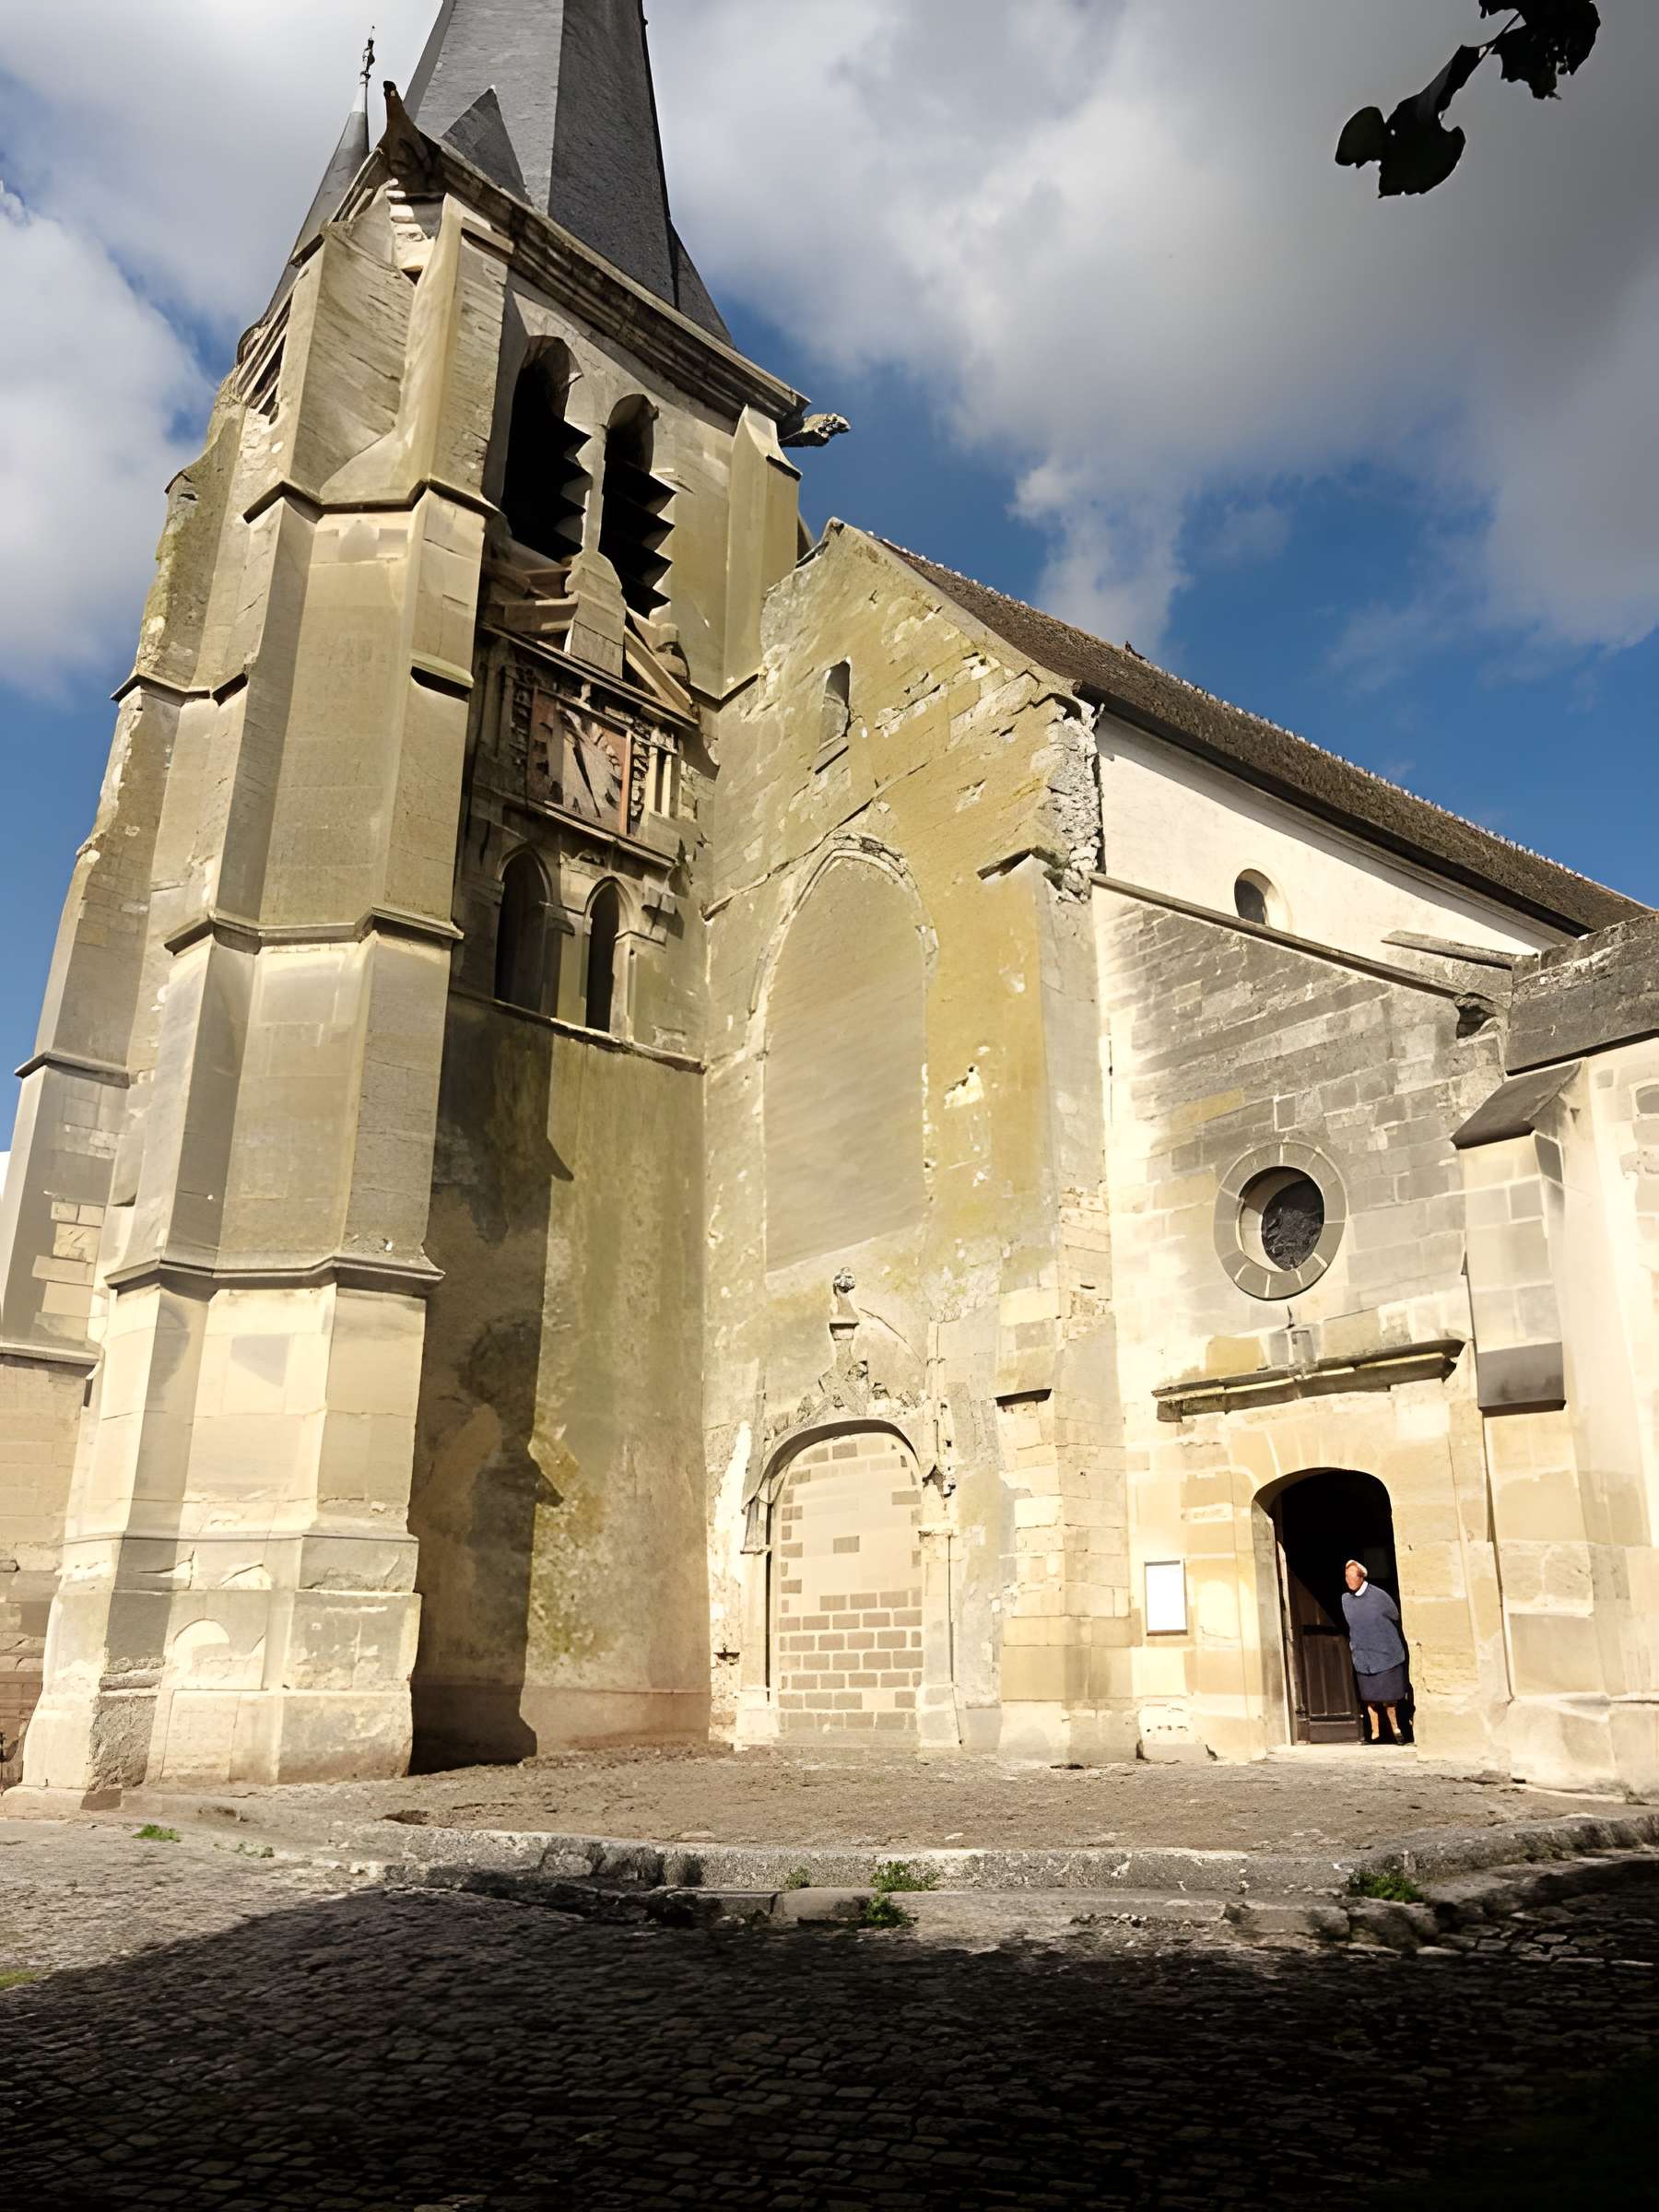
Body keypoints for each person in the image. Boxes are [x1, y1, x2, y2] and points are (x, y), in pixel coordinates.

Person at [1341, 1559, 1409, 1746]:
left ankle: (1397, 1730)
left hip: (1386, 1653)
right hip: (1363, 1655)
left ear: (1361, 1577)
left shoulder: (1379, 1596)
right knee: (1369, 1698)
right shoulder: (1346, 1600)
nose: (1348, 1581)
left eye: (1351, 1577)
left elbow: (1394, 1615)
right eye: (1346, 1577)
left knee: (1389, 1698)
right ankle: (1375, 1732)